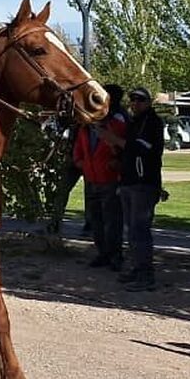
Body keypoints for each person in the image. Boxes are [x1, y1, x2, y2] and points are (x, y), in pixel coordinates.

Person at [117, 87, 166, 291]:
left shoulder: (152, 122)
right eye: (132, 100)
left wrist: (115, 140)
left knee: (140, 230)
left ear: (148, 102)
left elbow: (142, 149)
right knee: (131, 230)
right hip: (129, 182)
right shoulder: (134, 122)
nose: (135, 103)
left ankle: (146, 274)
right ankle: (137, 268)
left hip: (144, 183)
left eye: (140, 100)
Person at [75, 84, 128, 270]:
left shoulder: (118, 125)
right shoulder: (85, 128)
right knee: (95, 219)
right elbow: (78, 152)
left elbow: (125, 150)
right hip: (92, 178)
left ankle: (115, 255)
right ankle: (102, 253)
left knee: (112, 220)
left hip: (110, 179)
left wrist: (115, 164)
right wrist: (82, 164)